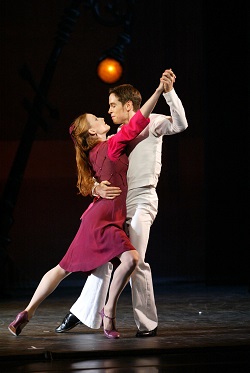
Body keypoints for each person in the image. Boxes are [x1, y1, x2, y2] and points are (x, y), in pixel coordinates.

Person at [8, 72, 167, 339]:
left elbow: (89, 180)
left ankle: (27, 312)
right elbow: (139, 121)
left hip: (96, 217)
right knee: (129, 260)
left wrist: (95, 186)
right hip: (106, 219)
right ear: (93, 131)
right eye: (96, 119)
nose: (102, 115)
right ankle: (109, 314)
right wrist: (159, 91)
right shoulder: (113, 145)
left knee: (63, 268)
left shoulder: (92, 155)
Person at [55, 69, 188, 337]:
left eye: (113, 105)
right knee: (101, 262)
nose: (110, 110)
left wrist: (169, 92)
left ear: (129, 105)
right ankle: (81, 312)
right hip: (117, 204)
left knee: (135, 260)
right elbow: (95, 169)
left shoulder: (153, 121)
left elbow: (181, 124)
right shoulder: (115, 134)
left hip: (142, 199)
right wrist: (96, 187)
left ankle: (147, 324)